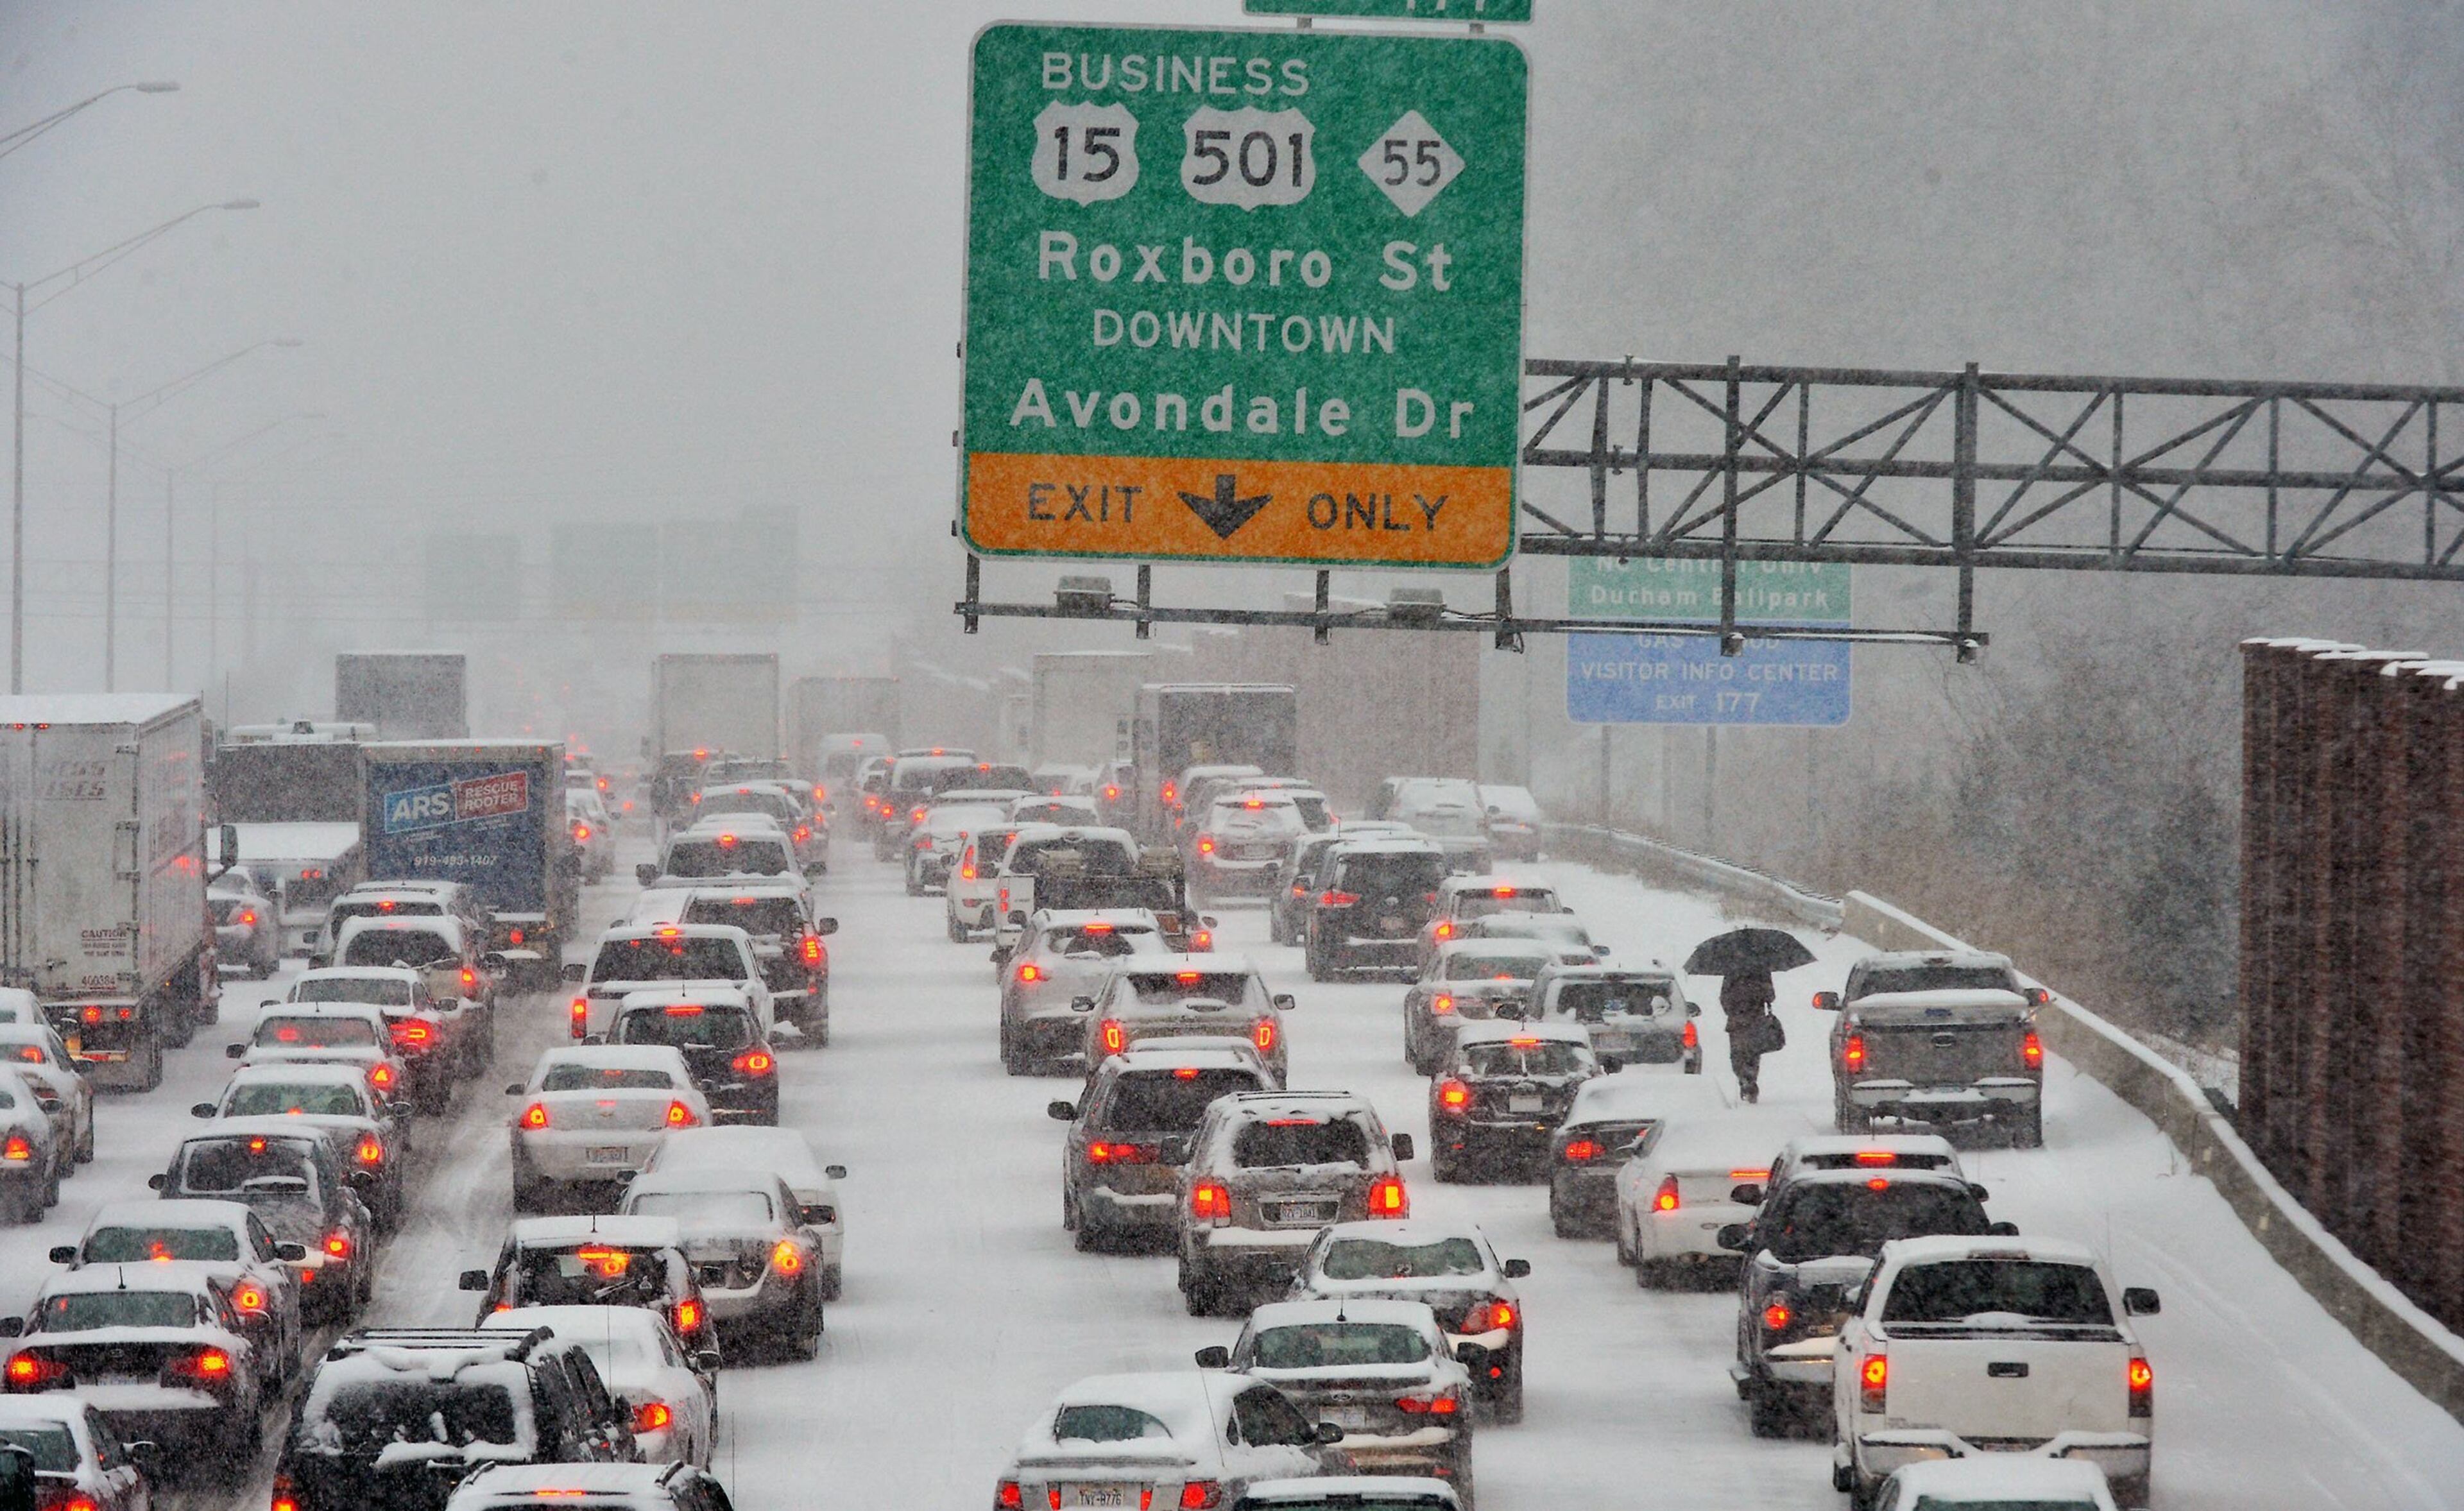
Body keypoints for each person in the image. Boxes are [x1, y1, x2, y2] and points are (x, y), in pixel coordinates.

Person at [1721, 969, 1779, 1103]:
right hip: (1755, 1019)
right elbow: (1771, 996)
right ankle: (1750, 1080)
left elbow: (1724, 998)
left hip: (1736, 1022)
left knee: (1737, 1054)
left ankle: (1744, 1079)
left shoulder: (1731, 972)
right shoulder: (1762, 971)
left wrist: (1733, 1009)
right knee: (1753, 1054)